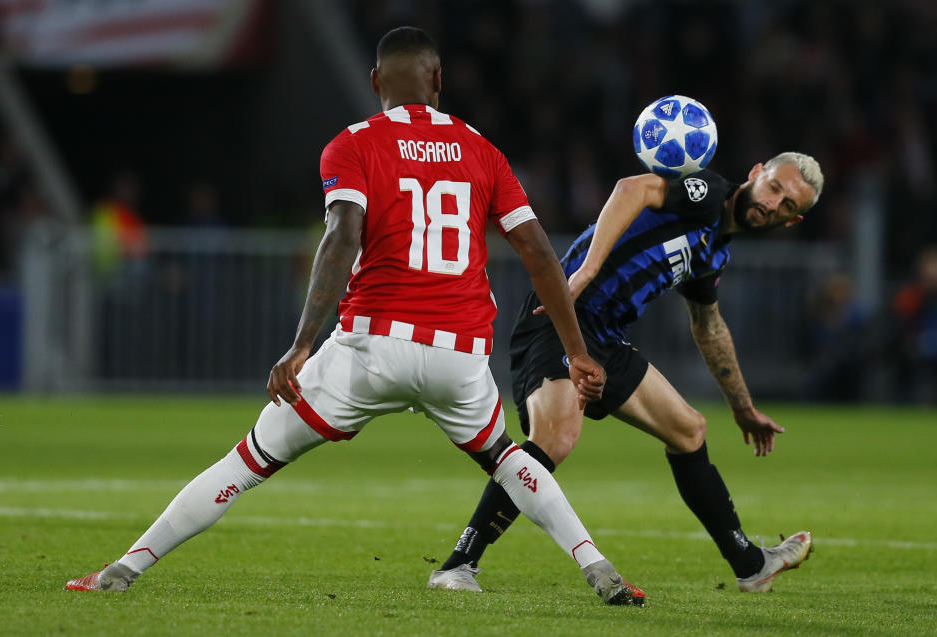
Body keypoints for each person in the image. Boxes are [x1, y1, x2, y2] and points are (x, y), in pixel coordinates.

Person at [65, 27, 644, 606]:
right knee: (507, 460)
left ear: (375, 83)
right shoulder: (481, 150)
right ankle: (596, 565)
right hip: (458, 354)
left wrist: (300, 345)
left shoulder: (353, 145)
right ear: (439, 80)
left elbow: (341, 237)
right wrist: (576, 351)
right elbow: (541, 254)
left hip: (371, 348)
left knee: (247, 462)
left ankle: (125, 568)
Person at [428, 152, 823, 594]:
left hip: (605, 336)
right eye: (775, 187)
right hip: (564, 314)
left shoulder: (713, 250)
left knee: (689, 430)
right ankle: (458, 564)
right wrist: (587, 270)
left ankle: (751, 565)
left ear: (791, 223)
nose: (773, 204)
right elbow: (631, 188)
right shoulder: (707, 193)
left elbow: (708, 327)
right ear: (756, 173)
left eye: (788, 206)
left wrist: (744, 408)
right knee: (555, 437)